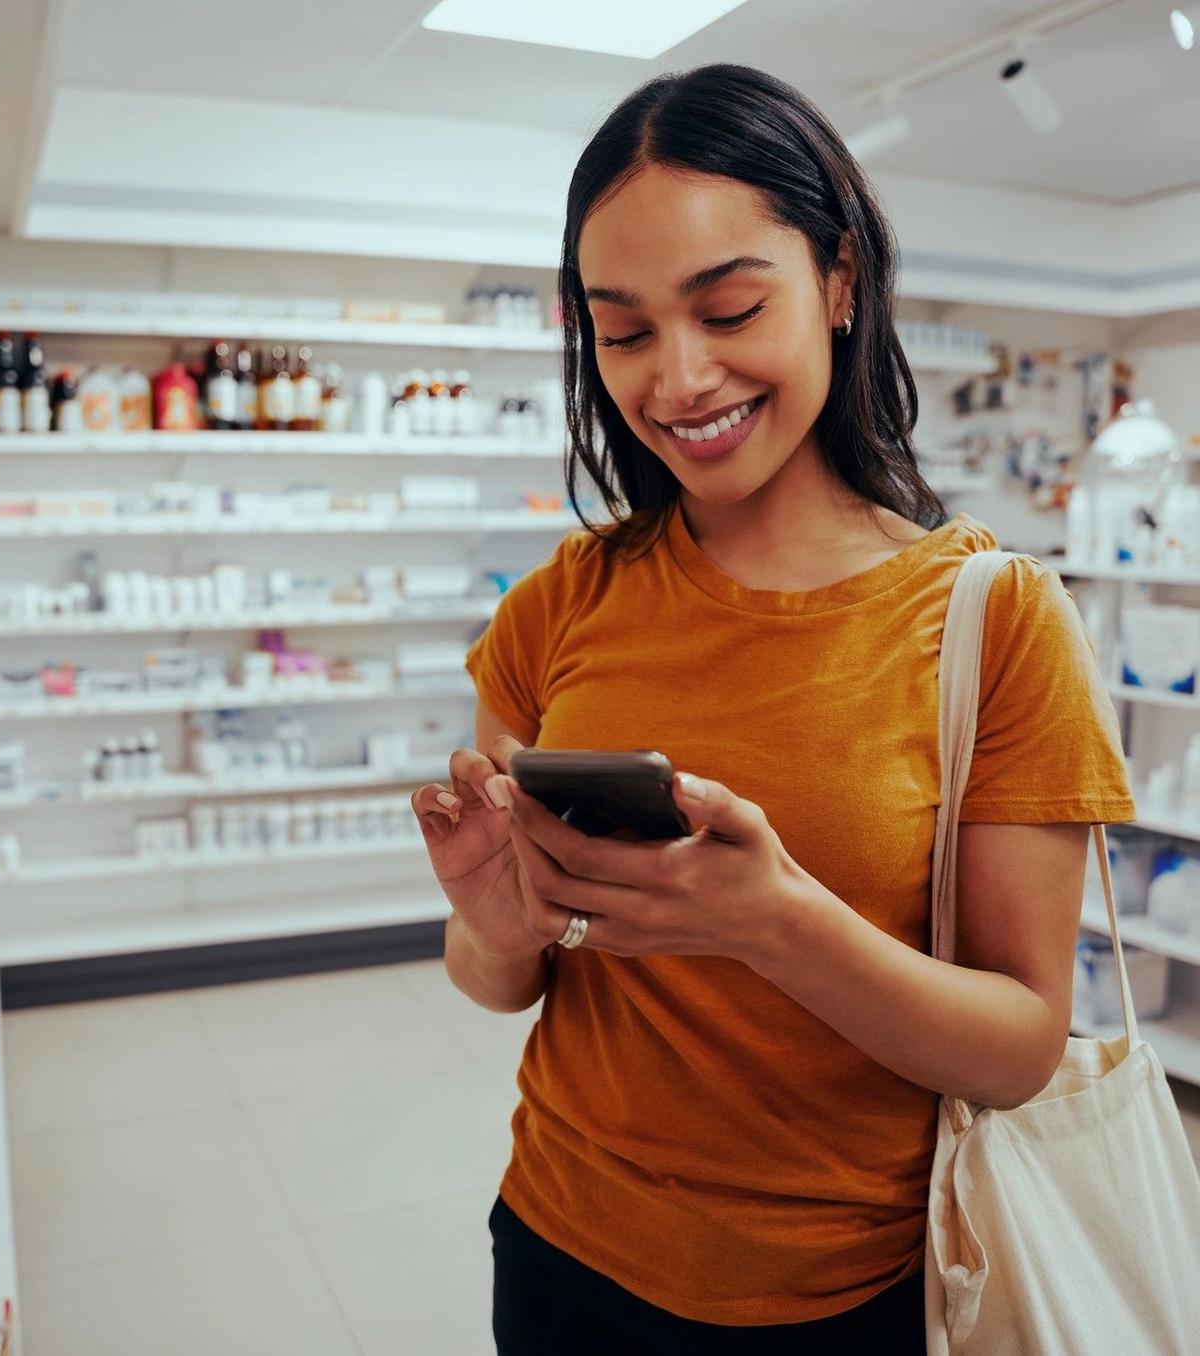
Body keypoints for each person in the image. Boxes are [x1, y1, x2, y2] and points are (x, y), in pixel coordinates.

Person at [410, 63, 1134, 1354]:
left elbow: (1023, 1040)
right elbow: (495, 983)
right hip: (560, 1246)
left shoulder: (996, 620)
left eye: (730, 308)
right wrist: (500, 916)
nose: (678, 381)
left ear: (840, 279)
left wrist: (778, 924)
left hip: (847, 1297)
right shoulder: (560, 604)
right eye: (623, 333)